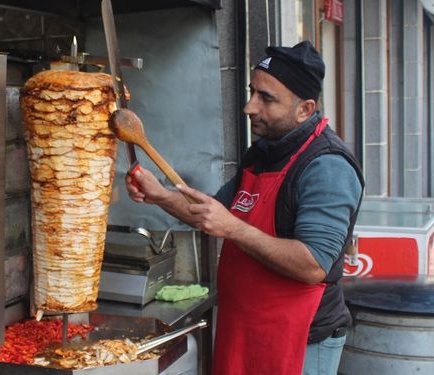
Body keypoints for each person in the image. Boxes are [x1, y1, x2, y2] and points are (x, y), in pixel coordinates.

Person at [124, 41, 364, 375]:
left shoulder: (327, 166)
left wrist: (234, 228)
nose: (249, 107)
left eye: (266, 98)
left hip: (301, 341)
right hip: (246, 329)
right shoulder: (263, 151)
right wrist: (159, 195)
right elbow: (213, 213)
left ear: (305, 109)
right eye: (252, 92)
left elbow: (313, 265)